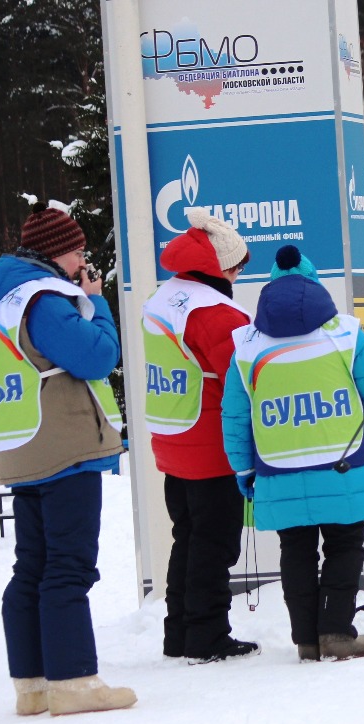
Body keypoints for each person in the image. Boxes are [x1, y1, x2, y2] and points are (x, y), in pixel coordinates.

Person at [0, 201, 136, 715]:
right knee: (68, 566)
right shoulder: (45, 298)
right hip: (64, 445)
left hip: (23, 442)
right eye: (79, 251)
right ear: (60, 252)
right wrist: (96, 303)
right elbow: (98, 356)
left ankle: (34, 684)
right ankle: (74, 682)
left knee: (33, 566)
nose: (83, 260)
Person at [221, 246, 364, 662]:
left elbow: (234, 416)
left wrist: (244, 471)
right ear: (314, 284)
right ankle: (336, 631)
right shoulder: (345, 332)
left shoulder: (245, 346)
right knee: (345, 545)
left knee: (295, 550)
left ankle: (307, 639)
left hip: (277, 471)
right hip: (341, 465)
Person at [142, 207, 259, 664]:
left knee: (187, 538)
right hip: (209, 443)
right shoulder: (216, 313)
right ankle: (208, 635)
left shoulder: (165, 298)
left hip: (173, 436)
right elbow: (243, 379)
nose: (238, 274)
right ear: (220, 266)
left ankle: (179, 634)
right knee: (215, 542)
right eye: (237, 266)